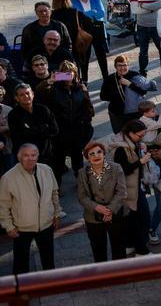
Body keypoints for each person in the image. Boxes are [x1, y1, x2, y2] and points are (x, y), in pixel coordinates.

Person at [0, 144, 62, 273]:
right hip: (22, 228)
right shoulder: (8, 178)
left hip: (46, 225)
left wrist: (56, 214)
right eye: (26, 155)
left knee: (48, 261)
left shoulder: (46, 170)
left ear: (37, 156)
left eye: (33, 155)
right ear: (19, 157)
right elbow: (3, 205)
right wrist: (9, 226)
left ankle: (50, 284)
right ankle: (21, 289)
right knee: (20, 264)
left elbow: (54, 193)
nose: (30, 159)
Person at [78, 140, 128, 264]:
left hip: (115, 213)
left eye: (99, 152)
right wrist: (97, 207)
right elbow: (82, 196)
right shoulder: (82, 173)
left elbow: (122, 192)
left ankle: (120, 271)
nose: (96, 156)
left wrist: (109, 210)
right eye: (92, 154)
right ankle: (102, 272)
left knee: (119, 245)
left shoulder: (116, 168)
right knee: (98, 247)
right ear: (87, 158)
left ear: (104, 154)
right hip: (93, 217)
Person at [111, 119, 153, 256]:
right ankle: (141, 249)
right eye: (139, 136)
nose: (141, 138)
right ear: (130, 133)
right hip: (129, 190)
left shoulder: (133, 143)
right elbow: (122, 170)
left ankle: (131, 245)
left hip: (135, 187)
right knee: (142, 219)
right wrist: (140, 161)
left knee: (134, 219)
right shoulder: (121, 149)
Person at [47, 61, 93, 176]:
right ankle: (56, 187)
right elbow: (41, 96)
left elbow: (88, 109)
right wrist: (49, 82)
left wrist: (85, 124)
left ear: (75, 74)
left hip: (77, 130)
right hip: (60, 131)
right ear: (60, 74)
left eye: (70, 73)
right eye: (64, 73)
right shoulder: (54, 88)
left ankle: (81, 183)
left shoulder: (80, 88)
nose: (68, 76)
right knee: (59, 160)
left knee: (78, 160)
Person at [70, 0, 109, 82]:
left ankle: (106, 78)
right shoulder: (73, 1)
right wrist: (93, 12)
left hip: (97, 30)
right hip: (83, 32)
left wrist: (86, 14)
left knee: (101, 56)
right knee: (84, 58)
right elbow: (77, 16)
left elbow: (101, 13)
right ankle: (85, 80)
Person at [9, 83, 57, 160]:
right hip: (27, 157)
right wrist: (43, 128)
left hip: (47, 154)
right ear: (16, 98)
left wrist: (31, 130)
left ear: (33, 94)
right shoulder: (13, 115)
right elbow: (18, 138)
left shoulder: (43, 109)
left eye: (27, 93)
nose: (26, 96)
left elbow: (54, 130)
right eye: (22, 95)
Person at [21, 2, 71, 74]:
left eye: (46, 11)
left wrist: (64, 58)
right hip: (38, 69)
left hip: (59, 65)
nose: (44, 13)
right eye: (40, 11)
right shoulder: (29, 29)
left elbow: (68, 44)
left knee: (67, 77)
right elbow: (25, 50)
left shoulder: (60, 26)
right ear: (36, 13)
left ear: (50, 11)